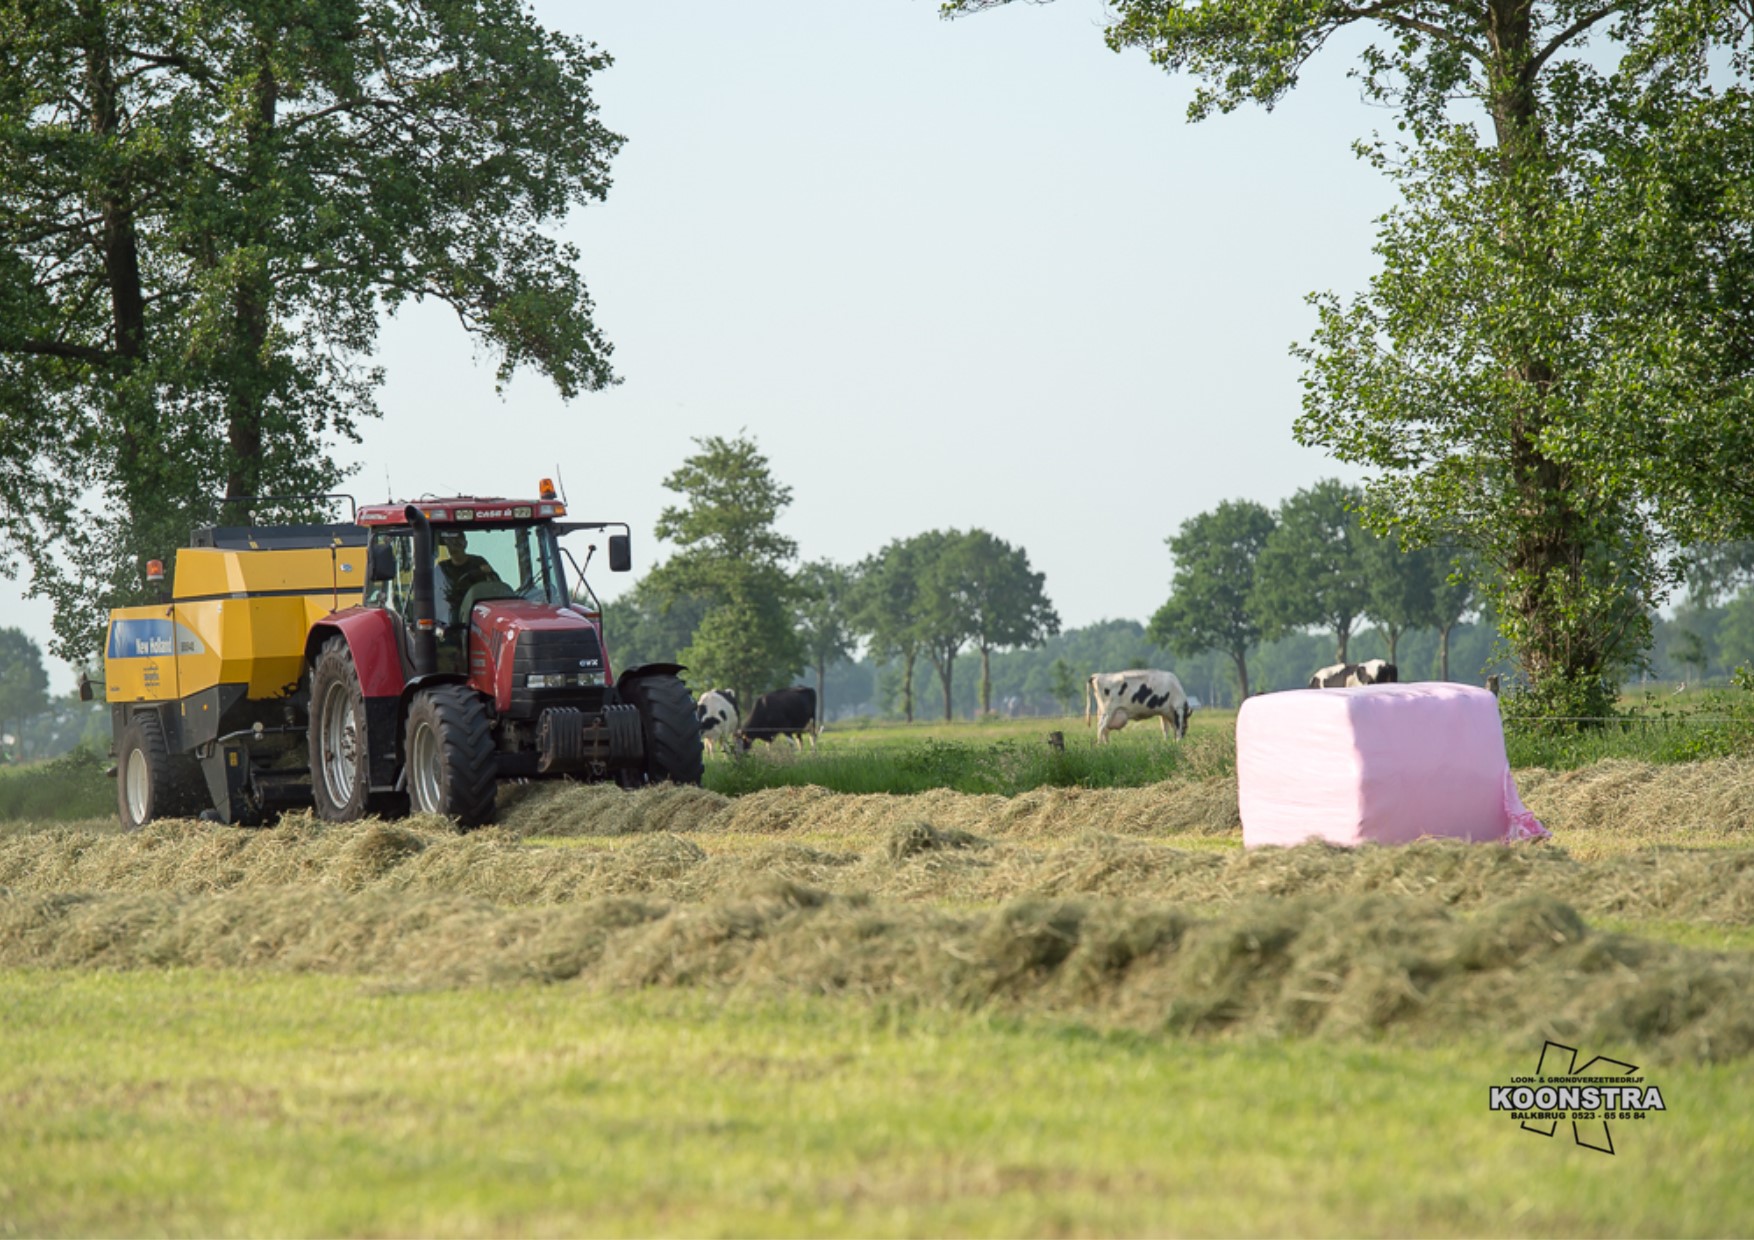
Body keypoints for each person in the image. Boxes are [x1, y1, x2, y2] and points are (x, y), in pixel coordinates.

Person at [437, 529, 500, 621]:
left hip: (477, 611)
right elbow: (435, 594)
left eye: (457, 543)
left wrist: (487, 573)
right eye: (450, 544)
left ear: (465, 544)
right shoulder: (442, 569)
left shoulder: (479, 563)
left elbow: (495, 586)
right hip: (450, 614)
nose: (453, 548)